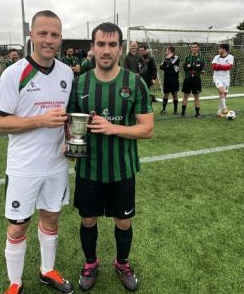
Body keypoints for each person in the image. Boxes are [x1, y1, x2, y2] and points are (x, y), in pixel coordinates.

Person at [0, 10, 74, 294]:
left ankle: (47, 270)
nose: (49, 40)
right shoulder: (14, 73)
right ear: (31, 36)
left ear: (61, 38)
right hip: (23, 167)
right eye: (43, 33)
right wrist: (40, 120)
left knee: (51, 219)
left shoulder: (67, 73)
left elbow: (67, 119)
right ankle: (15, 283)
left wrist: (71, 140)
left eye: (55, 34)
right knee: (17, 227)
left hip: (57, 164)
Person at [67, 22, 154, 292]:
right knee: (88, 219)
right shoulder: (79, 83)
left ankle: (122, 262)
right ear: (92, 48)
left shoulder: (135, 83)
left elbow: (147, 129)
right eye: (101, 44)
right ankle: (91, 263)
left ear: (120, 48)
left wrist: (111, 127)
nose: (106, 50)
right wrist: (68, 143)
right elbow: (70, 124)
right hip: (89, 169)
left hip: (122, 169)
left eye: (112, 44)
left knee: (123, 220)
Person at [181, 42, 205, 118]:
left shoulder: (201, 56)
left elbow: (201, 67)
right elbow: (185, 68)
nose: (193, 48)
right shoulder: (187, 56)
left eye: (195, 47)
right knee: (185, 96)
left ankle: (197, 113)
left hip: (196, 79)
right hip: (187, 78)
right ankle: (183, 112)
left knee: (196, 96)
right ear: (191, 48)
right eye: (192, 47)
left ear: (198, 48)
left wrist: (190, 66)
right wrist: (195, 66)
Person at [211, 43, 234, 117]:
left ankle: (219, 112)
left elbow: (228, 67)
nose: (218, 50)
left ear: (224, 49)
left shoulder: (230, 57)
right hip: (217, 78)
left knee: (224, 95)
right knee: (221, 91)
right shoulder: (216, 57)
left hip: (226, 79)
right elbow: (213, 67)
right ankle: (225, 108)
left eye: (220, 48)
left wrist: (219, 66)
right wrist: (223, 66)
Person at [159, 46, 180, 115]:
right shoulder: (166, 58)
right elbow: (161, 66)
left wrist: (167, 66)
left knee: (174, 94)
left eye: (167, 50)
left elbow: (170, 65)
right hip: (167, 79)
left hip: (174, 79)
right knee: (165, 94)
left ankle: (175, 110)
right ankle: (163, 109)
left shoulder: (176, 57)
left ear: (170, 51)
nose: (166, 52)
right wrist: (167, 66)